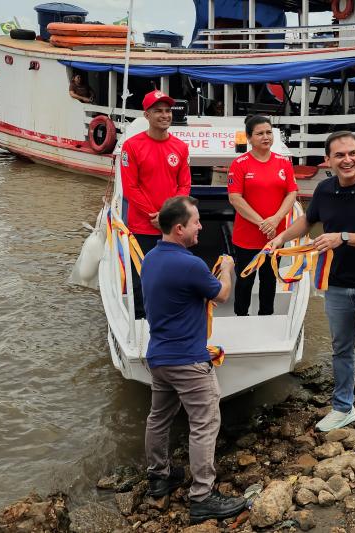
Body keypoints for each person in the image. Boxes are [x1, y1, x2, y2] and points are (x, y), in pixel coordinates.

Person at [267, 131, 355, 444]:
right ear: (328, 160)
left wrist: (342, 237)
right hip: (336, 283)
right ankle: (343, 408)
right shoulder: (324, 190)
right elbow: (307, 221)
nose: (347, 160)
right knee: (341, 349)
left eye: (352, 153)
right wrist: (280, 237)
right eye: (340, 155)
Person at [141, 196, 247, 524]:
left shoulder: (150, 259)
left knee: (158, 418)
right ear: (179, 228)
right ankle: (202, 496)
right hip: (188, 360)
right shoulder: (190, 264)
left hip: (159, 357)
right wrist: (227, 269)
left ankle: (159, 477)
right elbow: (222, 294)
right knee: (204, 422)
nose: (201, 226)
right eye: (196, 222)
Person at [120, 89, 191, 319]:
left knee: (172, 276)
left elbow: (184, 186)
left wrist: (167, 216)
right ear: (146, 115)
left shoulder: (180, 147)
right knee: (142, 277)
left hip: (172, 228)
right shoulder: (131, 146)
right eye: (158, 111)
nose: (165, 115)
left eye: (168, 110)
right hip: (142, 227)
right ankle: (141, 320)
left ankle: (170, 317)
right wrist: (155, 215)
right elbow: (131, 188)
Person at [228, 116, 298, 316]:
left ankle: (266, 317)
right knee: (245, 281)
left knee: (269, 280)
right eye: (260, 133)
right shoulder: (239, 164)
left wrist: (275, 219)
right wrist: (262, 223)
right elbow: (235, 198)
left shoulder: (283, 163)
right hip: (247, 237)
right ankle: (241, 318)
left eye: (268, 132)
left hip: (275, 237)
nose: (265, 137)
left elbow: (291, 193)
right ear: (249, 137)